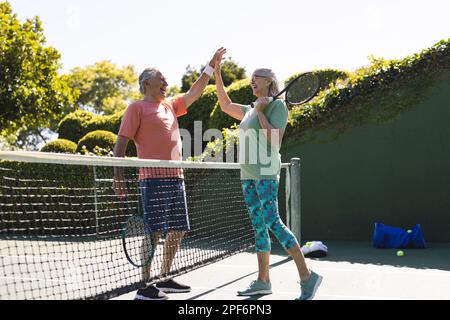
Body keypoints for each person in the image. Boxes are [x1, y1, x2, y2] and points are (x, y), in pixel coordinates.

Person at [113, 48, 226, 300]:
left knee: (178, 229)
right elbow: (120, 144)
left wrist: (210, 66)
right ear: (146, 84)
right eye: (161, 79)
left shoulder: (169, 106)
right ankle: (145, 285)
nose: (166, 83)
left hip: (177, 177)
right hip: (152, 179)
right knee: (153, 231)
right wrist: (117, 175)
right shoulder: (136, 108)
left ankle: (163, 278)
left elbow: (194, 92)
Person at [213, 49, 323, 300]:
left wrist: (262, 112)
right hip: (248, 175)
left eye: (256, 77)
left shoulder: (277, 107)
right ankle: (263, 281)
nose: (252, 80)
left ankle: (308, 277)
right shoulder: (251, 108)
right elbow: (225, 104)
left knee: (273, 222)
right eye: (251, 77)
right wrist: (217, 72)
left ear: (269, 82)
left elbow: (274, 141)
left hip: (266, 173)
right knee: (259, 227)